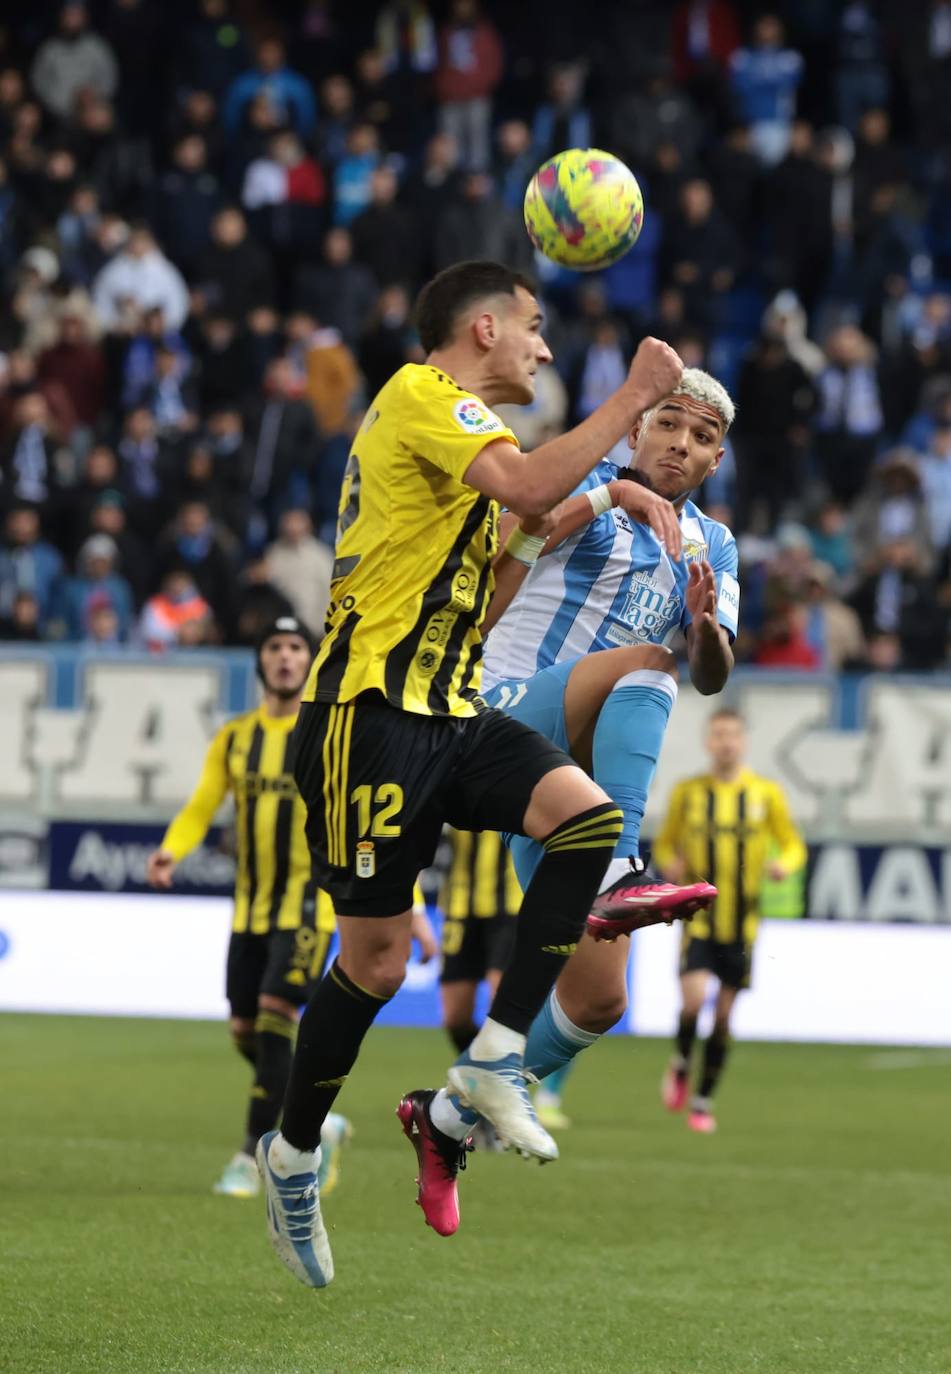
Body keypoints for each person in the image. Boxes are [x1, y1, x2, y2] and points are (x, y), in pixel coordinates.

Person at [256, 259, 691, 1289]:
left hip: (453, 711)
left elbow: (514, 545)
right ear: (484, 328)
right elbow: (532, 485)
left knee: (588, 825)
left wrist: (596, 502)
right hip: (369, 717)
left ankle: (495, 1056)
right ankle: (291, 1153)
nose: (544, 347)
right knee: (375, 962)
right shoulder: (420, 396)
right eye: (536, 329)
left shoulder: (456, 452)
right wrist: (633, 397)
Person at [405, 365, 737, 1233]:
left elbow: (711, 673)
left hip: (566, 785)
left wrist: (703, 629)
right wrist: (611, 498)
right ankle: (623, 867)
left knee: (598, 1002)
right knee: (645, 661)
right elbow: (514, 538)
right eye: (669, 423)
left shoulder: (714, 545)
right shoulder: (589, 477)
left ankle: (445, 1120)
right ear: (637, 430)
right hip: (496, 718)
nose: (681, 444)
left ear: (714, 459)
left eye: (702, 438)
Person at [146, 617, 350, 1198]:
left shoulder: (327, 734)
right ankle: (320, 1124)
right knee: (246, 1032)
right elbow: (202, 804)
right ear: (260, 662)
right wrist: (171, 849)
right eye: (274, 648)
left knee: (272, 1016)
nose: (285, 658)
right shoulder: (235, 737)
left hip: (309, 909)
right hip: (251, 912)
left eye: (294, 648)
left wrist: (405, 902)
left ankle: (253, 1156)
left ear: (308, 661)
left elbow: (352, 819)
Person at [654, 708, 806, 1133]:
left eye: (732, 735)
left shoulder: (765, 794)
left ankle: (703, 1101)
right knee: (692, 998)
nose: (726, 743)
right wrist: (670, 864)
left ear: (743, 742)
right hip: (700, 919)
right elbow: (665, 846)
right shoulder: (688, 793)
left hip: (743, 924)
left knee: (722, 1016)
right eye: (718, 734)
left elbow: (793, 845)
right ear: (707, 742)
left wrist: (784, 865)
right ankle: (682, 1061)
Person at [438, 826, 519, 1141]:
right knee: (455, 1017)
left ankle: (501, 1107)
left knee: (500, 1006)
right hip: (459, 905)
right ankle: (484, 1094)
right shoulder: (448, 776)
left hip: (511, 907)